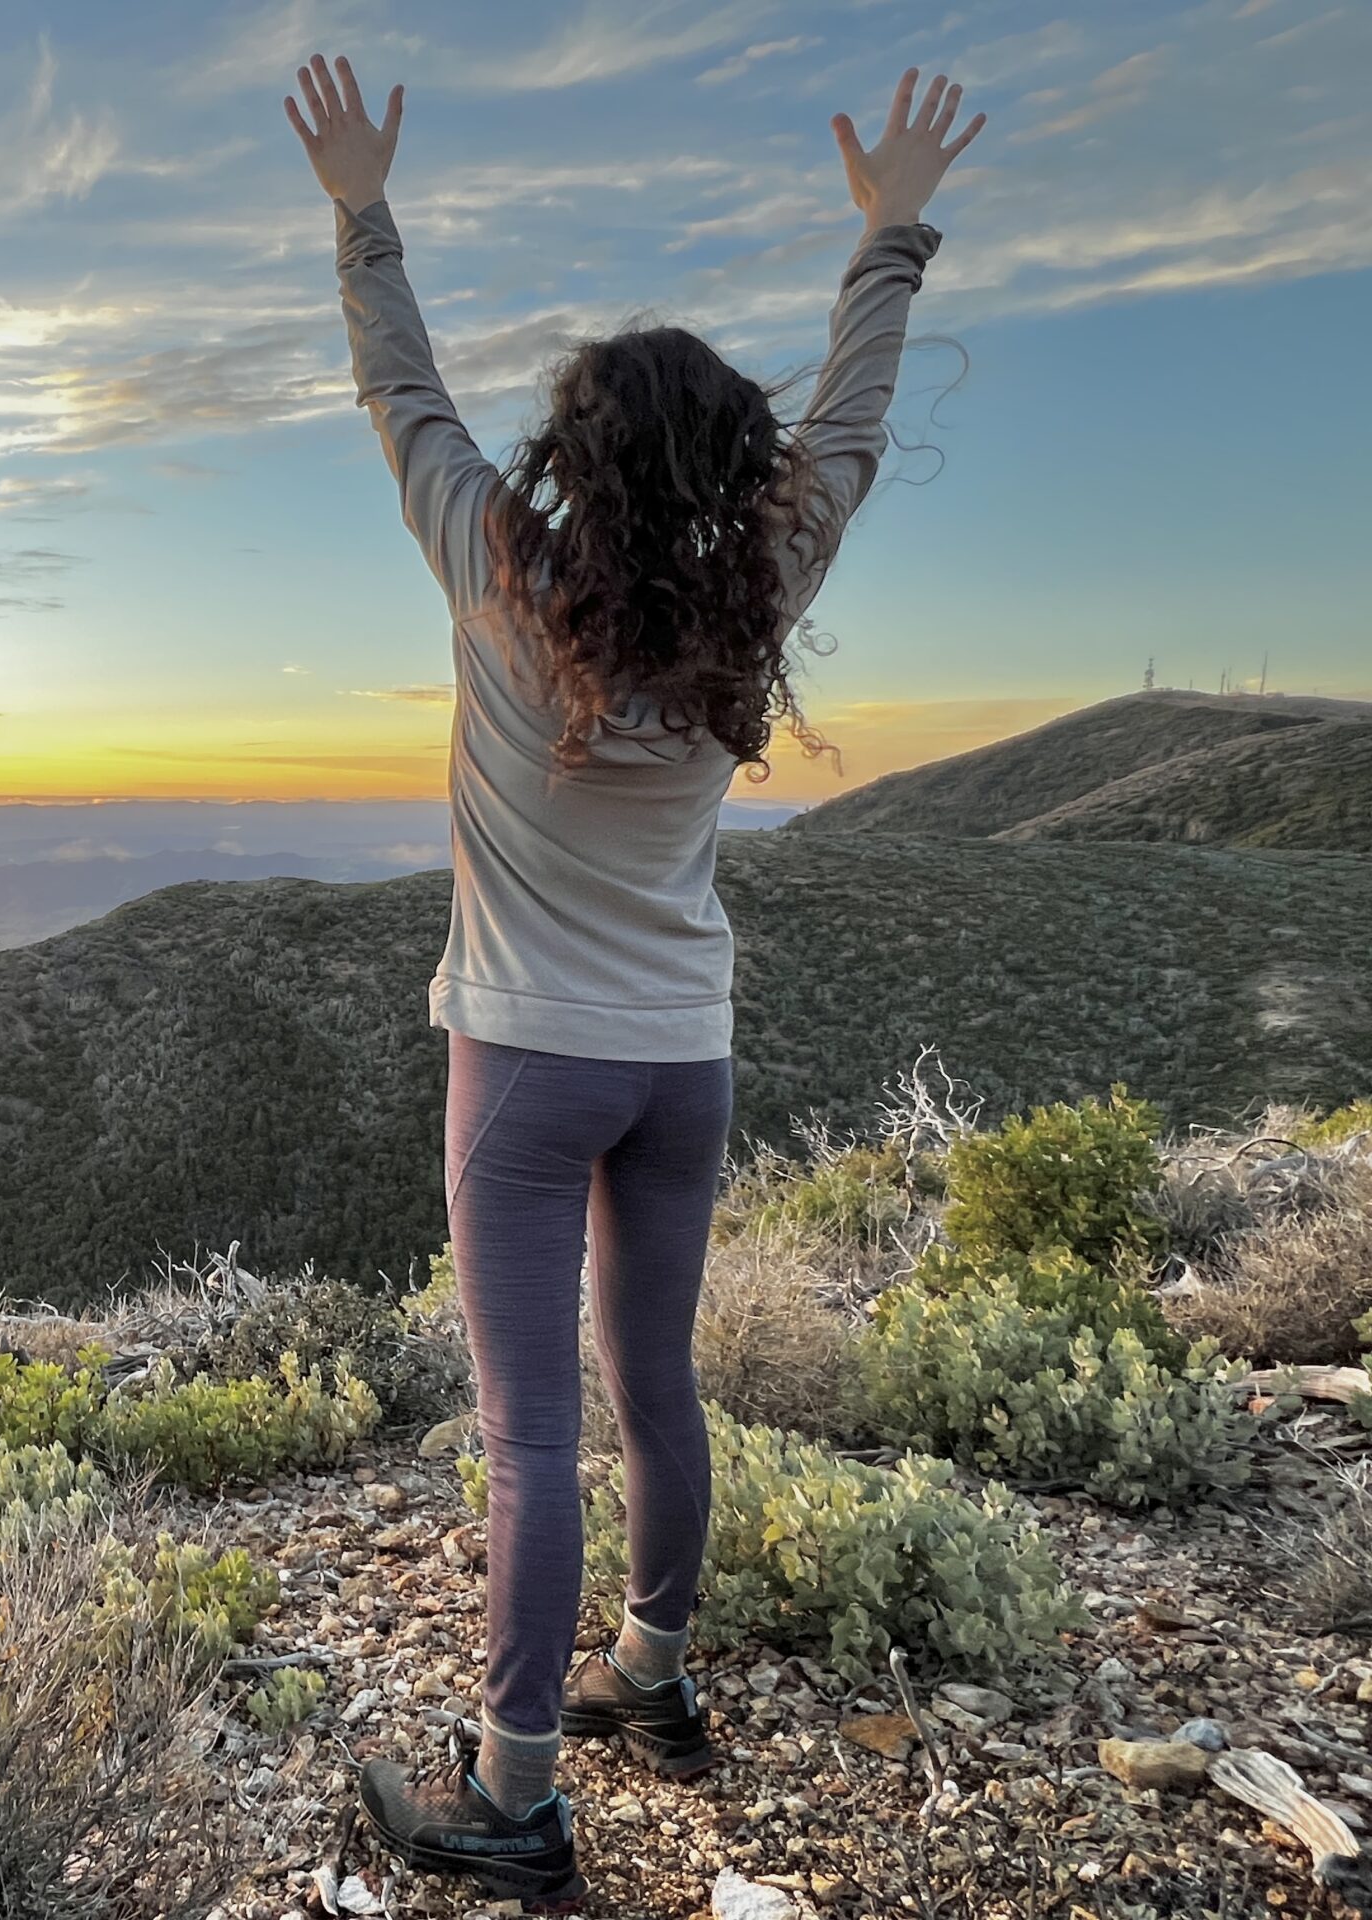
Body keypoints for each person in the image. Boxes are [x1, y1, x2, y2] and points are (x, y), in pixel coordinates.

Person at [283, 53, 984, 1907]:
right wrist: (890, 238)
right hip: (688, 1063)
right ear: (729, 467)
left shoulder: (500, 576)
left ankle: (516, 1793)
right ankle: (653, 1678)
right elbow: (850, 431)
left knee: (532, 1438)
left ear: (572, 458)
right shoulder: (765, 575)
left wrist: (361, 208)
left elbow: (399, 392)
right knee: (652, 1384)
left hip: (521, 1070)